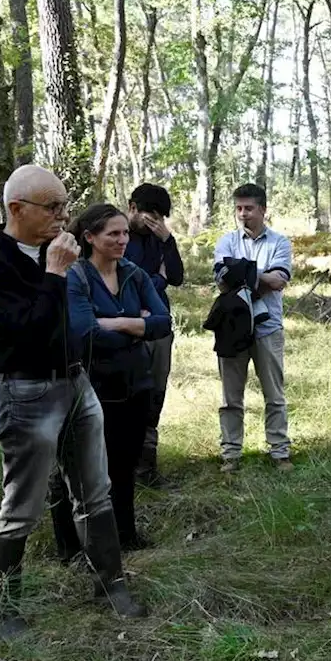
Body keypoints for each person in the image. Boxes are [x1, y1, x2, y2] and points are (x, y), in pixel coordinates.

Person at [0, 165, 146, 640]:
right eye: (53, 208)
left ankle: (111, 585)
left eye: (66, 206)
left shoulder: (53, 252)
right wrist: (55, 275)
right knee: (21, 504)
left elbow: (78, 320)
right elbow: (23, 333)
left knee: (95, 489)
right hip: (25, 392)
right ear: (16, 209)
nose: (63, 218)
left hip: (75, 384)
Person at [63, 204, 172, 551]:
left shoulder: (134, 274)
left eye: (125, 232)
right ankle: (72, 546)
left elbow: (163, 322)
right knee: (83, 471)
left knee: (125, 467)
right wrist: (138, 325)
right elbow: (86, 335)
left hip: (136, 384)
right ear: (90, 237)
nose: (123, 240)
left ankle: (125, 536)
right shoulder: (75, 276)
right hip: (93, 387)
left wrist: (117, 323)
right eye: (114, 234)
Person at [213, 183, 294, 472]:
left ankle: (279, 451)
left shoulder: (280, 243)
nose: (243, 214)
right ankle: (231, 454)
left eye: (248, 208)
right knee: (230, 395)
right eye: (238, 208)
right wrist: (258, 274)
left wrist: (243, 271)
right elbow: (222, 279)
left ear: (262, 209)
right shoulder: (226, 242)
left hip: (267, 327)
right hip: (232, 327)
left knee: (274, 392)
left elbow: (279, 281)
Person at [125, 183, 184, 487]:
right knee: (125, 397)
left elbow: (176, 276)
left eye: (159, 217)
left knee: (154, 396)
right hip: (126, 328)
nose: (153, 221)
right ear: (132, 208)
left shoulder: (161, 239)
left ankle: (146, 469)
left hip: (159, 328)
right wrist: (156, 281)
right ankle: (121, 468)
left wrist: (169, 241)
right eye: (149, 214)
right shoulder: (119, 235)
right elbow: (125, 281)